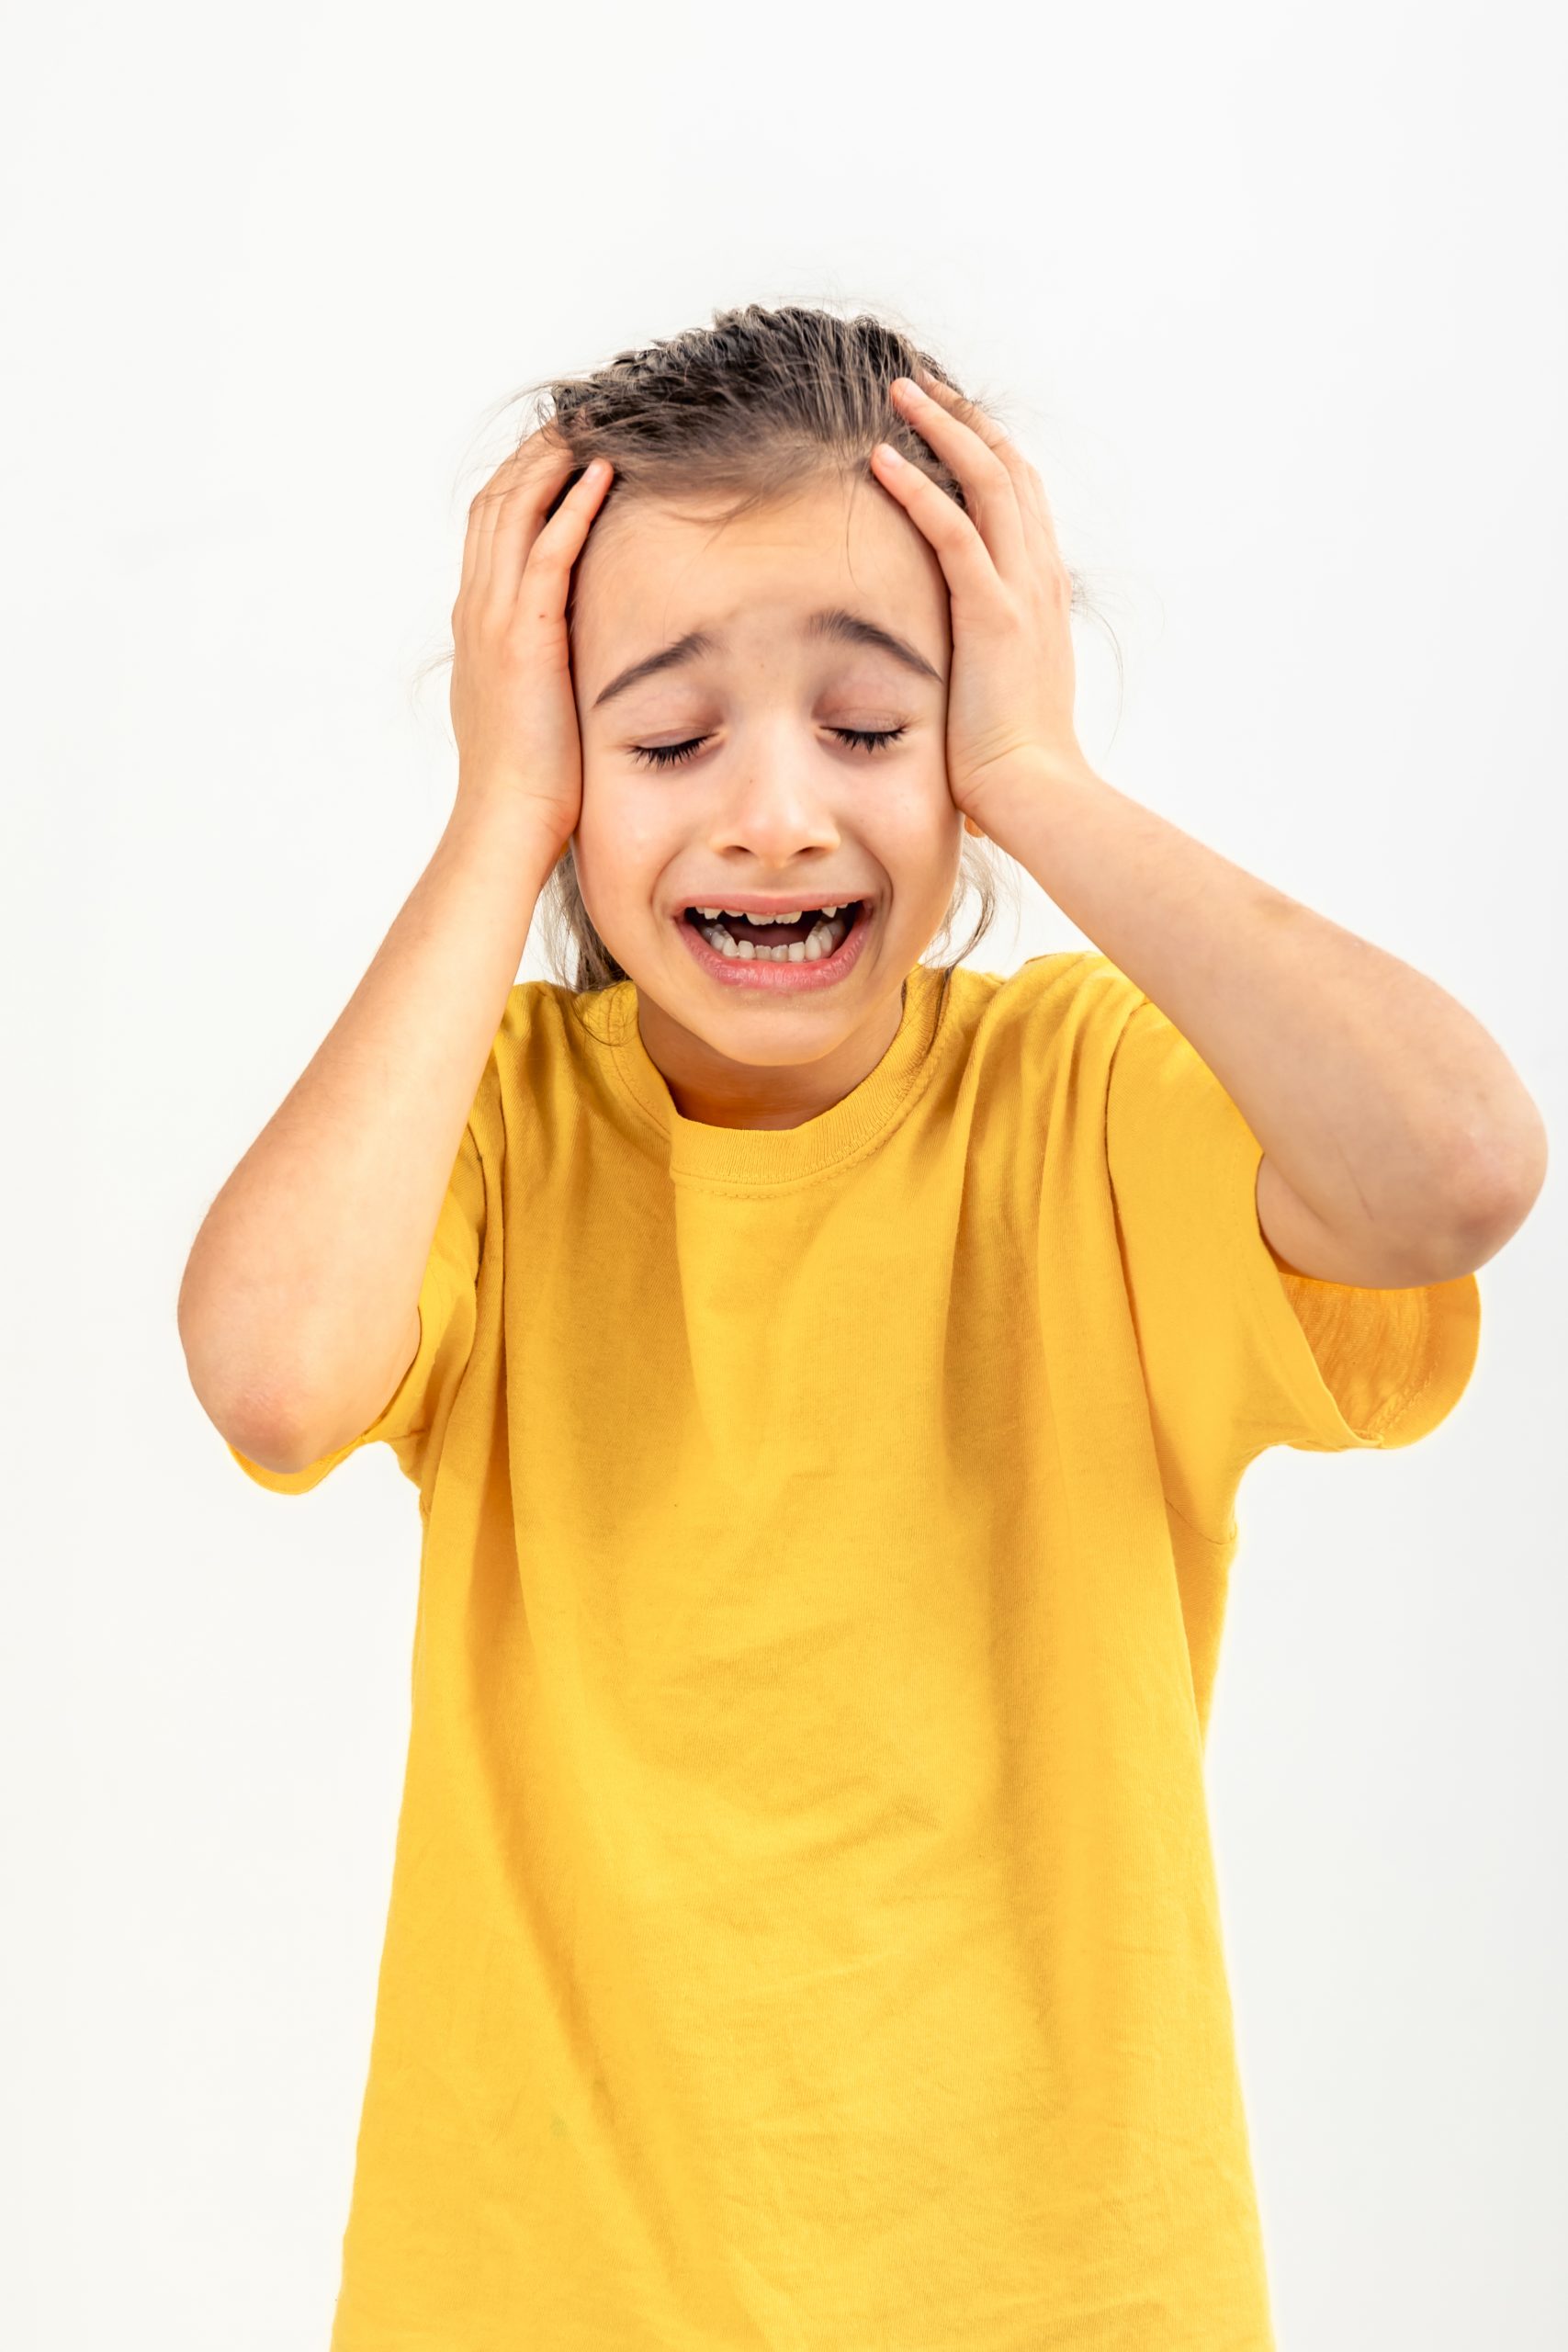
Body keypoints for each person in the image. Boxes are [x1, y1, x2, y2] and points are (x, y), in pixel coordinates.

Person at [177, 303, 1544, 2349]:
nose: (772, 815)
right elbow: (275, 1374)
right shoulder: (497, 1140)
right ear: (556, 763)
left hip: (1062, 2296)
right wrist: (492, 823)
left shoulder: (1085, 1104)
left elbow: (1451, 1162)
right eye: (659, 741)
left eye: (867, 726)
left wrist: (1037, 773)